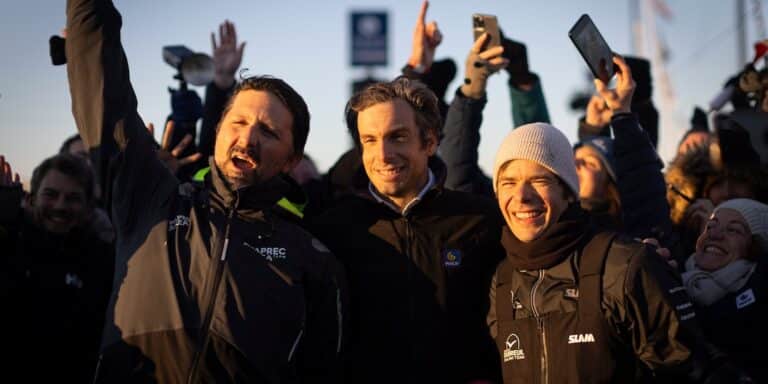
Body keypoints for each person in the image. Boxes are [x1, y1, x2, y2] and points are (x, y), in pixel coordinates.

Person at [64, 0, 342, 382]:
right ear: (217, 132)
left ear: (292, 160)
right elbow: (101, 85)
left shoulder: (313, 259)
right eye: (239, 122)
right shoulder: (151, 199)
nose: (247, 139)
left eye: (269, 132)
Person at [488, 55, 697, 382]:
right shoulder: (500, 283)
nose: (522, 196)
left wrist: (625, 116)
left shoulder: (624, 266)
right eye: (508, 183)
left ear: (569, 192)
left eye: (540, 180)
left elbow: (682, 369)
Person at [310, 76, 504, 383]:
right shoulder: (332, 230)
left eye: (397, 137)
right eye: (369, 140)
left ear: (429, 142)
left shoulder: (482, 220)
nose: (383, 155)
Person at [0, 154, 113, 383]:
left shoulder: (104, 261)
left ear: (89, 207)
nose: (60, 206)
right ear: (31, 199)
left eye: (72, 198)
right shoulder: (9, 243)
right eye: (51, 195)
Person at [682, 198, 768, 383]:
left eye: (733, 230)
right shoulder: (671, 278)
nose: (715, 234)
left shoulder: (759, 299)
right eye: (710, 226)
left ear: (754, 248)